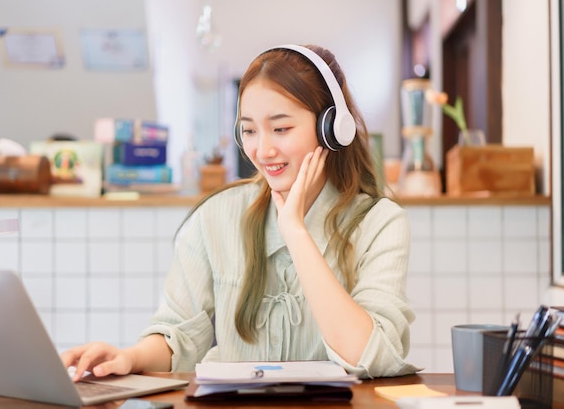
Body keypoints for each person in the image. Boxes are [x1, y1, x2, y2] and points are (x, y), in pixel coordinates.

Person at [62, 44, 420, 380]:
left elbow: (369, 355)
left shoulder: (380, 223)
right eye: (249, 130)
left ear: (331, 129)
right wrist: (130, 357)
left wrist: (295, 231)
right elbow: (180, 334)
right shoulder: (216, 216)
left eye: (281, 128)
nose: (262, 150)